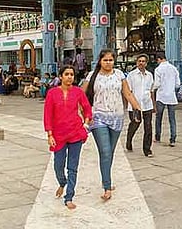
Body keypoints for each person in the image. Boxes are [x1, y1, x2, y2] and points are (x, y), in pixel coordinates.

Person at [82, 49, 142, 201]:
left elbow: (127, 93)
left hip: (117, 118)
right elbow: (82, 96)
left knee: (110, 152)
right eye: (105, 60)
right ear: (100, 61)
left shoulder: (120, 75)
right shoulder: (92, 76)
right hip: (98, 118)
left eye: (111, 60)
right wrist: (78, 113)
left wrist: (137, 108)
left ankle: (106, 178)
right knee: (106, 151)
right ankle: (107, 187)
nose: (108, 63)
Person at [44, 65, 92, 209]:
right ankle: (62, 182)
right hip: (58, 135)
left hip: (75, 133)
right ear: (61, 76)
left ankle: (69, 196)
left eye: (71, 74)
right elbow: (47, 115)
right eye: (66, 74)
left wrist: (86, 124)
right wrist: (49, 134)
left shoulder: (78, 92)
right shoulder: (52, 93)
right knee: (58, 165)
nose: (69, 77)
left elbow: (87, 109)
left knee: (73, 167)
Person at [126, 54, 155, 157]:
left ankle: (147, 149)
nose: (141, 63)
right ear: (136, 62)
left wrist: (153, 105)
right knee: (135, 124)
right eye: (139, 61)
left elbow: (151, 91)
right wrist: (130, 105)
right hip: (135, 105)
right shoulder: (131, 75)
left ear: (146, 63)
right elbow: (128, 91)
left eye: (143, 61)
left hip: (147, 104)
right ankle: (129, 140)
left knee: (148, 127)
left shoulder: (150, 75)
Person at [153, 52, 180, 147]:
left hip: (161, 96)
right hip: (171, 96)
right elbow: (177, 84)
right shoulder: (174, 68)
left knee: (158, 117)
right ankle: (173, 139)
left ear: (159, 59)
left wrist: (152, 90)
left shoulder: (158, 69)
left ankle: (157, 136)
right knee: (172, 118)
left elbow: (157, 84)